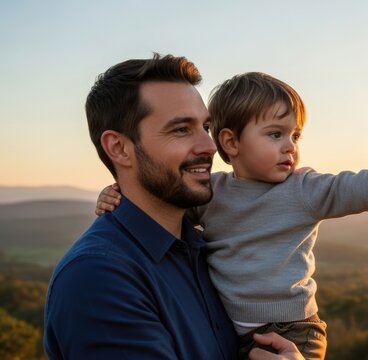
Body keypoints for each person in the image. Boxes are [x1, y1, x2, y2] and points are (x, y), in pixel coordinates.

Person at [96, 72, 368, 359]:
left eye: (295, 136)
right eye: (275, 134)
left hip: (294, 332)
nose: (289, 147)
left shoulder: (302, 190)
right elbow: (159, 202)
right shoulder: (210, 192)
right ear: (230, 142)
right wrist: (115, 195)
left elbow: (363, 186)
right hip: (232, 331)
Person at [44, 55, 302, 360]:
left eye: (205, 127)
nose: (209, 146)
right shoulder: (97, 277)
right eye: (181, 130)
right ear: (119, 148)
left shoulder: (204, 251)